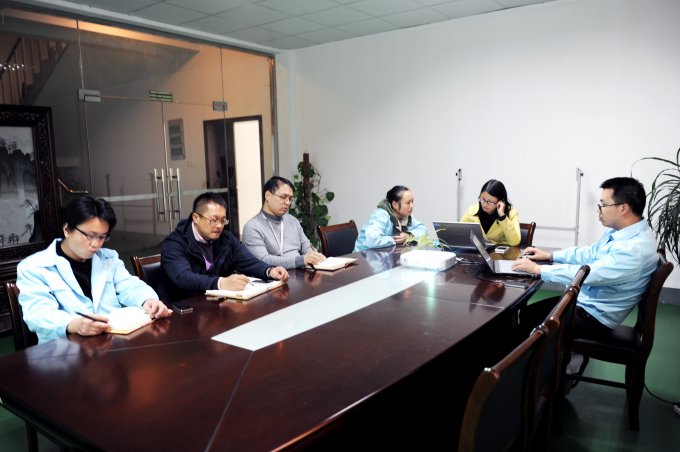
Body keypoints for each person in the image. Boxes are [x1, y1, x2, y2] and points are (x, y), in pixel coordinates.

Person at [512, 177, 658, 343]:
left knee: (529, 320)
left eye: (603, 205)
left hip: (594, 318)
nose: (598, 210)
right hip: (587, 304)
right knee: (528, 313)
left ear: (623, 208)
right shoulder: (621, 232)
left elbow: (588, 275)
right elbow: (590, 253)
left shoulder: (634, 249)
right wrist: (551, 256)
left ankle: (536, 357)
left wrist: (539, 269)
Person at [16, 196, 172, 343]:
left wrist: (148, 300)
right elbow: (38, 314)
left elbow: (129, 285)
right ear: (67, 230)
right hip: (65, 350)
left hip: (110, 343)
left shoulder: (108, 258)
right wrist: (74, 324)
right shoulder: (34, 267)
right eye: (90, 235)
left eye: (102, 237)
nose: (96, 244)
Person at [158, 192, 288, 302]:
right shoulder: (174, 244)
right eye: (214, 220)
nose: (219, 226)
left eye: (223, 220)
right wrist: (220, 283)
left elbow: (247, 260)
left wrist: (269, 271)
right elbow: (183, 278)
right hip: (182, 307)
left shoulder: (226, 239)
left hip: (216, 304)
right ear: (196, 218)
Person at [242, 176, 326, 269]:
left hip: (301, 272)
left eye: (290, 199)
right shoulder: (252, 227)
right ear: (268, 196)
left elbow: (306, 246)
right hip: (275, 276)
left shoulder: (293, 221)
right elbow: (263, 260)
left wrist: (313, 256)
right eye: (283, 197)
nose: (287, 202)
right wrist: (302, 260)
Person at [354, 185, 428, 252]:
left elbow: (423, 230)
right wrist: (396, 239)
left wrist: (409, 235)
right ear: (395, 205)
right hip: (362, 257)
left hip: (383, 255)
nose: (412, 206)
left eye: (412, 201)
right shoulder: (380, 214)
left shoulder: (405, 215)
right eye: (408, 202)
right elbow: (372, 240)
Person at [460, 179, 521, 246]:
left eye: (490, 202)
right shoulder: (473, 210)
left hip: (501, 252)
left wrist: (502, 216)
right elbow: (460, 231)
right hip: (477, 250)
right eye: (483, 199)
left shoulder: (511, 213)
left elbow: (515, 242)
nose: (485, 204)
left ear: (501, 201)